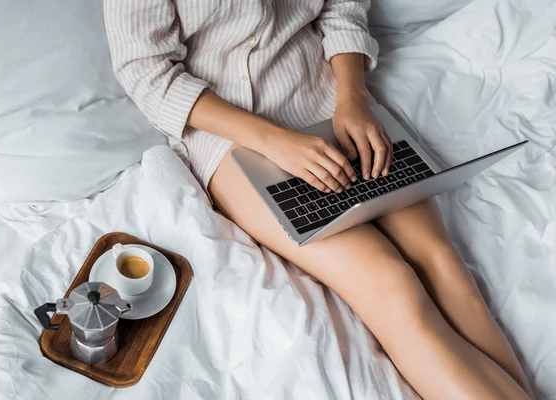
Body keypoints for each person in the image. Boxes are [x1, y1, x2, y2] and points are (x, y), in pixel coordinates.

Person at [103, 1, 533, 398]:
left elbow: (342, 7)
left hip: (332, 100)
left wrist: (354, 97)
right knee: (391, 284)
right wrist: (274, 141)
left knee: (443, 262)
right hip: (230, 138)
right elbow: (148, 73)